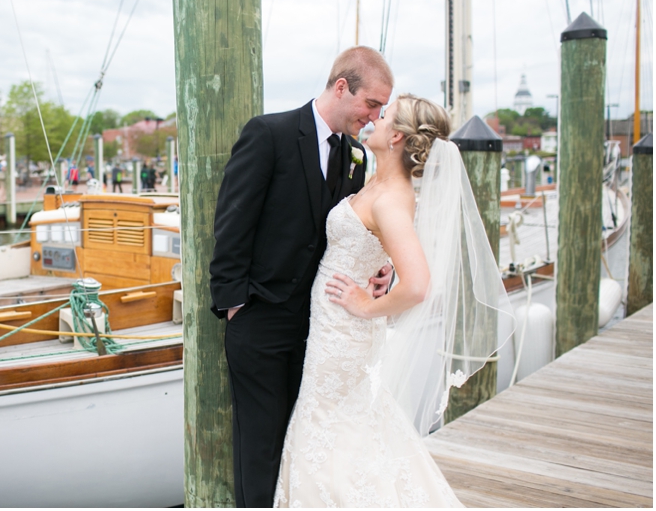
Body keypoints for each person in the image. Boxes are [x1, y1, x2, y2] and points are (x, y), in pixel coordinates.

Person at [273, 95, 510, 507]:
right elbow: (377, 246)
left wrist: (365, 305)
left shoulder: (392, 198)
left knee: (330, 427)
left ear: (396, 135)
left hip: (345, 334)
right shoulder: (376, 183)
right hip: (331, 327)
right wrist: (382, 270)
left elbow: (419, 286)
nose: (375, 120)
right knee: (348, 429)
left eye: (383, 116)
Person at [210, 46, 395, 508]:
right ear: (340, 87)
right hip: (260, 321)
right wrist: (237, 307)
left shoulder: (354, 155)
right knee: (260, 447)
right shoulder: (268, 134)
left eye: (381, 110)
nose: (374, 118)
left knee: (303, 444)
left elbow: (347, 232)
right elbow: (233, 224)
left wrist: (381, 268)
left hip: (320, 329)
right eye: (371, 104)